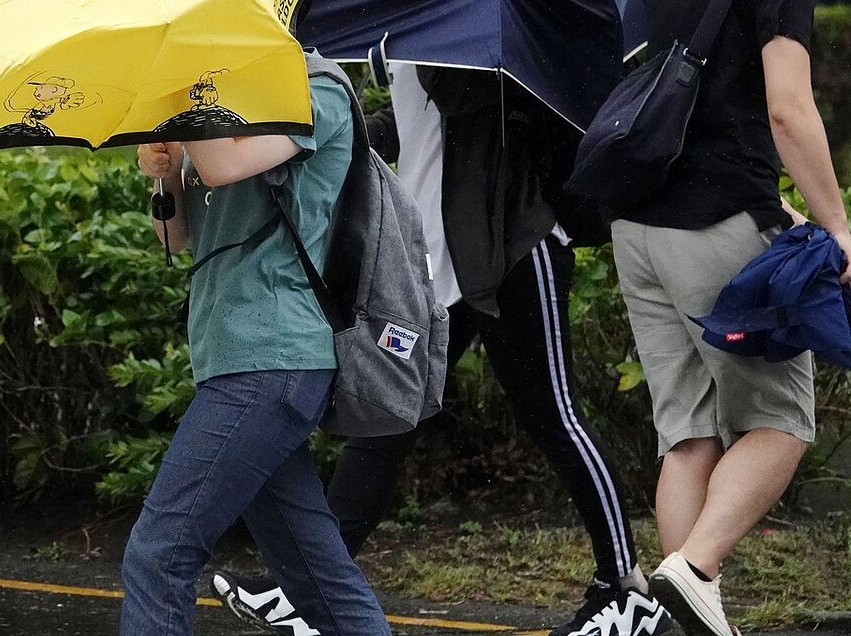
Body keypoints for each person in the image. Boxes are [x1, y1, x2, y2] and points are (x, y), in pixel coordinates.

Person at [214, 63, 667, 636]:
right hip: (436, 267)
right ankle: (309, 585)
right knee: (384, 425)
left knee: (555, 417)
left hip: (513, 253)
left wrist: (411, 47)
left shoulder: (468, 40)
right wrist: (333, 125)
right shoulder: (424, 37)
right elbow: (411, 125)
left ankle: (625, 589)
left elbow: (462, 96)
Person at [609, 0, 848, 636]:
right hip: (716, 226)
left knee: (690, 436)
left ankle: (680, 610)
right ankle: (690, 574)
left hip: (639, 226)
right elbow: (788, 107)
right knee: (782, 422)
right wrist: (836, 222)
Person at [120, 61, 392, 636]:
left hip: (275, 356)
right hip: (231, 356)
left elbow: (223, 165)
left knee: (159, 552)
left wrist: (176, 96)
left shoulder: (313, 89)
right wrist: (164, 175)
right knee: (317, 576)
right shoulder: (219, 96)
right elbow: (178, 236)